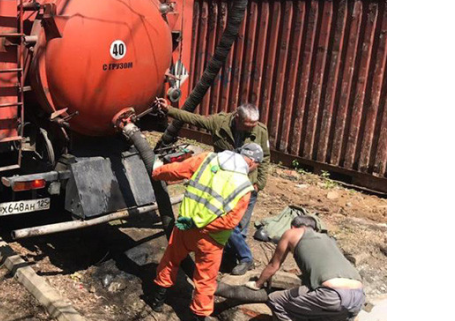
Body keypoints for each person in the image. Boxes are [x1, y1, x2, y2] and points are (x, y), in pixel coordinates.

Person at [146, 144, 264, 320]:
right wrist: (202, 225)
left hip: (185, 227)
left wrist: (156, 172)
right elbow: (229, 222)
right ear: (254, 163)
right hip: (212, 239)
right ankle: (198, 316)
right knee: (206, 280)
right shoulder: (244, 187)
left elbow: (178, 170)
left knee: (170, 261)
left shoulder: (207, 159)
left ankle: (157, 300)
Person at [160, 101, 270, 275]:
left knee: (238, 226)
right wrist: (169, 109)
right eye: (248, 126)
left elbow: (265, 157)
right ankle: (232, 258)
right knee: (222, 223)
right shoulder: (219, 123)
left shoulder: (260, 130)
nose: (251, 130)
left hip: (245, 186)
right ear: (237, 117)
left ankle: (244, 260)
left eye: (254, 126)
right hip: (222, 185)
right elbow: (193, 119)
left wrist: (259, 183)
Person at [253, 216, 365, 321]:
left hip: (331, 295)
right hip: (358, 298)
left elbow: (273, 265)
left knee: (275, 300)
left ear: (293, 227)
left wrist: (257, 284)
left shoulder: (292, 233)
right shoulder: (327, 239)